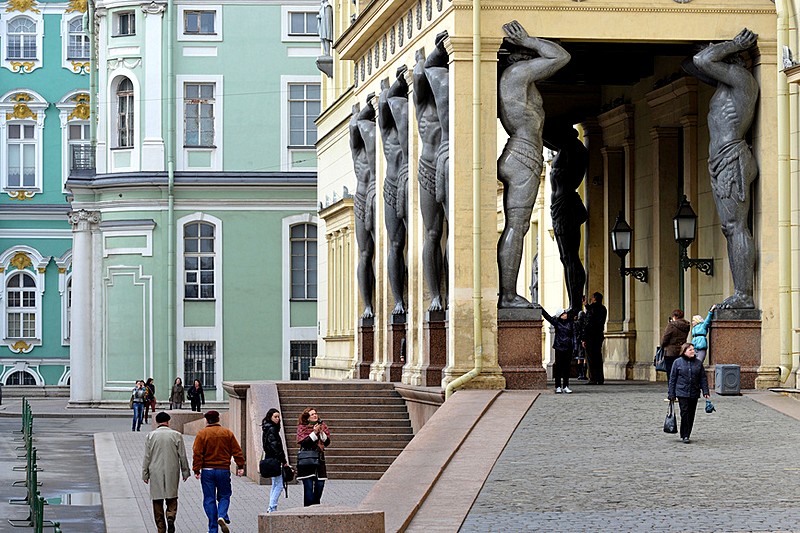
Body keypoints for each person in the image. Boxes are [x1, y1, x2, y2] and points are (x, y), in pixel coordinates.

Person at [497, 20, 570, 308]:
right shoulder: (517, 73)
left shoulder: (514, 78)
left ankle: (508, 293)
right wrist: (529, 40)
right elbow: (560, 56)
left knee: (518, 225)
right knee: (517, 226)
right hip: (523, 153)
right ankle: (508, 294)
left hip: (519, 152)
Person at [691, 28, 759, 309]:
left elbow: (702, 60)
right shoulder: (724, 87)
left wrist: (731, 44)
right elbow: (696, 60)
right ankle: (741, 291)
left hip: (733, 158)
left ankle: (744, 294)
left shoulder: (741, 80)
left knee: (735, 226)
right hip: (722, 161)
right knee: (729, 228)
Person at [413, 41, 447, 312]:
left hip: (448, 161)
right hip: (427, 165)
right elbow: (419, 74)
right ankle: (435, 294)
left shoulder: (451, 88)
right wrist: (435, 52)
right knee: (432, 232)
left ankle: (447, 291)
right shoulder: (422, 104)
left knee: (453, 231)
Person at [544, 122, 588, 317]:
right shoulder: (568, 148)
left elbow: (543, 132)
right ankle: (574, 303)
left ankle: (576, 304)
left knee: (570, 259)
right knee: (567, 258)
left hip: (565, 207)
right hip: (562, 207)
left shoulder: (572, 149)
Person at [378, 66, 410, 315]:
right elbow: (383, 101)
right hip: (391, 185)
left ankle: (413, 294)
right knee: (395, 243)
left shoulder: (411, 122)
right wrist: (398, 82)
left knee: (423, 238)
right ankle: (397, 299)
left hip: (409, 181)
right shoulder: (387, 130)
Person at [192, 410, 245, 533]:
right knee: (225, 495)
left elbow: (197, 453)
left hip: (207, 470)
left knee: (209, 499)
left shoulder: (202, 434)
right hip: (223, 469)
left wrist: (196, 469)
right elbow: (237, 451)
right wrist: (240, 465)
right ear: (218, 419)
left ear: (206, 420)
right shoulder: (227, 433)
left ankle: (213, 529)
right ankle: (222, 515)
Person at [349, 98, 377, 318]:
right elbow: (352, 125)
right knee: (365, 252)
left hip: (377, 194)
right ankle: (367, 304)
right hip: (361, 196)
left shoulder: (380, 138)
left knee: (387, 248)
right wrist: (367, 107)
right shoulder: (358, 148)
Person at [142, 412, 191, 533]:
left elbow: (147, 457)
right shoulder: (176, 435)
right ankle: (171, 515)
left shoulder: (150, 436)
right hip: (172, 470)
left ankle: (161, 529)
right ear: (168, 421)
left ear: (157, 422)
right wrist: (185, 471)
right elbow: (182, 456)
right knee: (172, 496)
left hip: (155, 471)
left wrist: (145, 473)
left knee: (157, 500)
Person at [668, 343, 710, 444]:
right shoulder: (677, 363)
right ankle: (685, 434)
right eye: (690, 350)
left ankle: (687, 433)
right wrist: (671, 393)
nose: (693, 351)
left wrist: (705, 391)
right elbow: (672, 379)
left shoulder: (698, 363)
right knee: (685, 413)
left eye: (693, 349)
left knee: (691, 414)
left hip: (694, 392)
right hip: (682, 392)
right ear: (684, 351)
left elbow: (703, 378)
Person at [296, 407, 331, 506]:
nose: (315, 415)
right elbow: (304, 443)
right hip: (307, 461)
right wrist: (314, 433)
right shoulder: (302, 427)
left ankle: (316, 508)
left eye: (315, 413)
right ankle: (308, 511)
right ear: (307, 418)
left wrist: (321, 432)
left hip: (319, 461)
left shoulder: (322, 426)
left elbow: (327, 442)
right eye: (312, 414)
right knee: (308, 488)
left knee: (320, 485)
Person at [541, 308, 578, 394]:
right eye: (563, 314)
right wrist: (541, 310)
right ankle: (558, 386)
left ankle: (566, 386)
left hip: (568, 347)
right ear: (560, 316)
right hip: (559, 347)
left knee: (566, 368)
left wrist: (575, 347)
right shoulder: (557, 322)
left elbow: (574, 336)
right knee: (558, 367)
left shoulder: (571, 323)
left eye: (565, 313)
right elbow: (548, 317)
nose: (565, 315)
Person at [261, 408, 288, 513]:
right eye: (275, 417)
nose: (277, 419)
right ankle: (272, 506)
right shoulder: (272, 429)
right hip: (275, 459)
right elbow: (275, 447)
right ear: (270, 417)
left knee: (275, 484)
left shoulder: (267, 428)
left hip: (270, 458)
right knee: (279, 485)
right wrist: (283, 460)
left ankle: (272, 507)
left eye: (278, 417)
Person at [660, 309, 691, 392]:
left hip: (670, 352)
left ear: (674, 316)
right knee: (680, 373)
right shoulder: (686, 325)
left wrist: (662, 345)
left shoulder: (671, 325)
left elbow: (665, 338)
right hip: (681, 350)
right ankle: (680, 391)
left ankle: (672, 393)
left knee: (671, 373)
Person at [582, 292, 607, 384]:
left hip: (590, 337)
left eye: (592, 298)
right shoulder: (603, 308)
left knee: (590, 358)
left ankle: (593, 378)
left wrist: (583, 338)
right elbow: (595, 315)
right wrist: (587, 306)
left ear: (594, 299)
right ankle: (600, 378)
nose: (591, 299)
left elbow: (588, 323)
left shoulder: (592, 309)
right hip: (599, 335)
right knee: (598, 356)